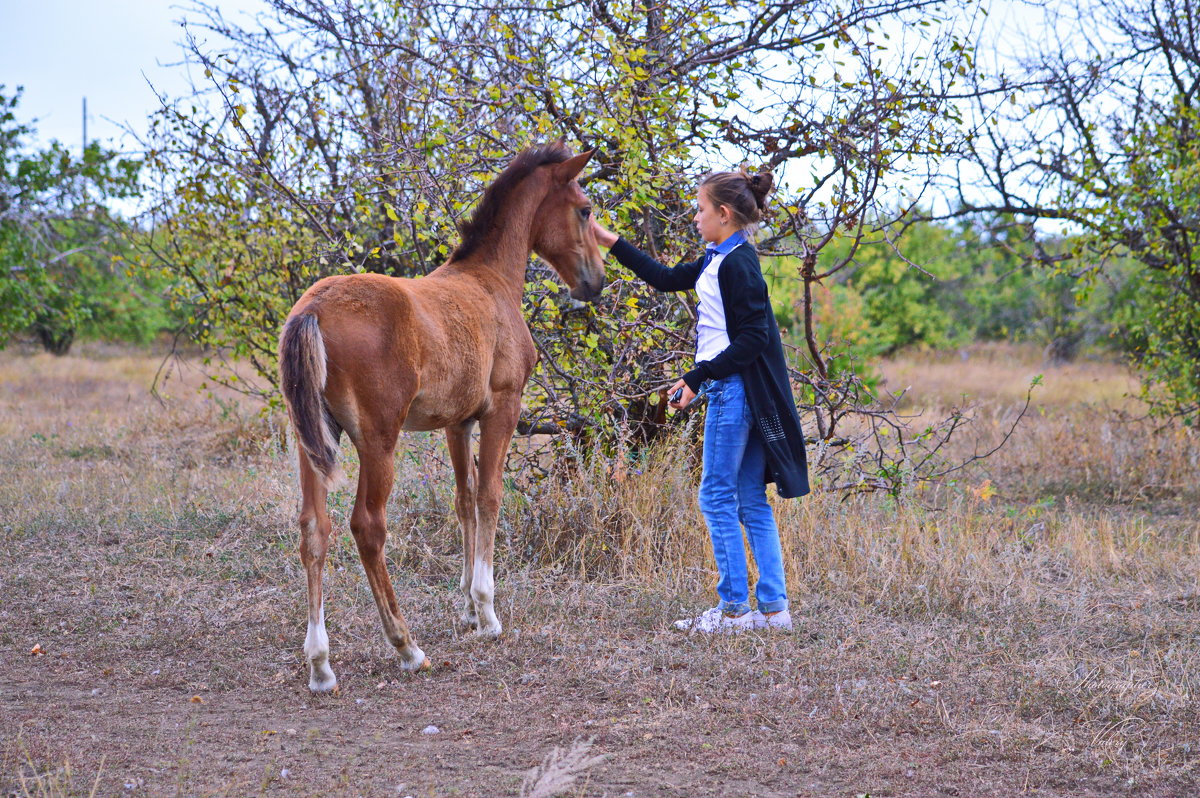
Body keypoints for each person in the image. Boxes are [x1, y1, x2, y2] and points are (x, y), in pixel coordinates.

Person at [590, 169, 810, 634]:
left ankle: (733, 610)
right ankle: (774, 612)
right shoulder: (718, 257)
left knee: (715, 496)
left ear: (724, 214)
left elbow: (753, 338)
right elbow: (666, 279)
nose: (695, 217)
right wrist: (607, 239)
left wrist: (697, 376)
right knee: (749, 497)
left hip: (733, 390)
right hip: (732, 387)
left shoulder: (739, 265)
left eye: (700, 209)